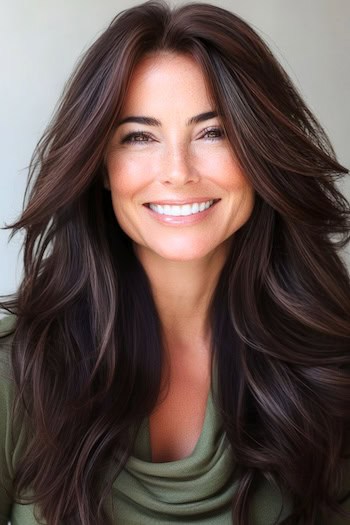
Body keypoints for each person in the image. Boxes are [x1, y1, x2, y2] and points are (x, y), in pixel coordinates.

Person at [0, 1, 349, 524]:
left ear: (260, 151)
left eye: (214, 132)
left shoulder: (332, 363)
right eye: (139, 136)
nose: (177, 172)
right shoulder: (15, 369)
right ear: (99, 165)